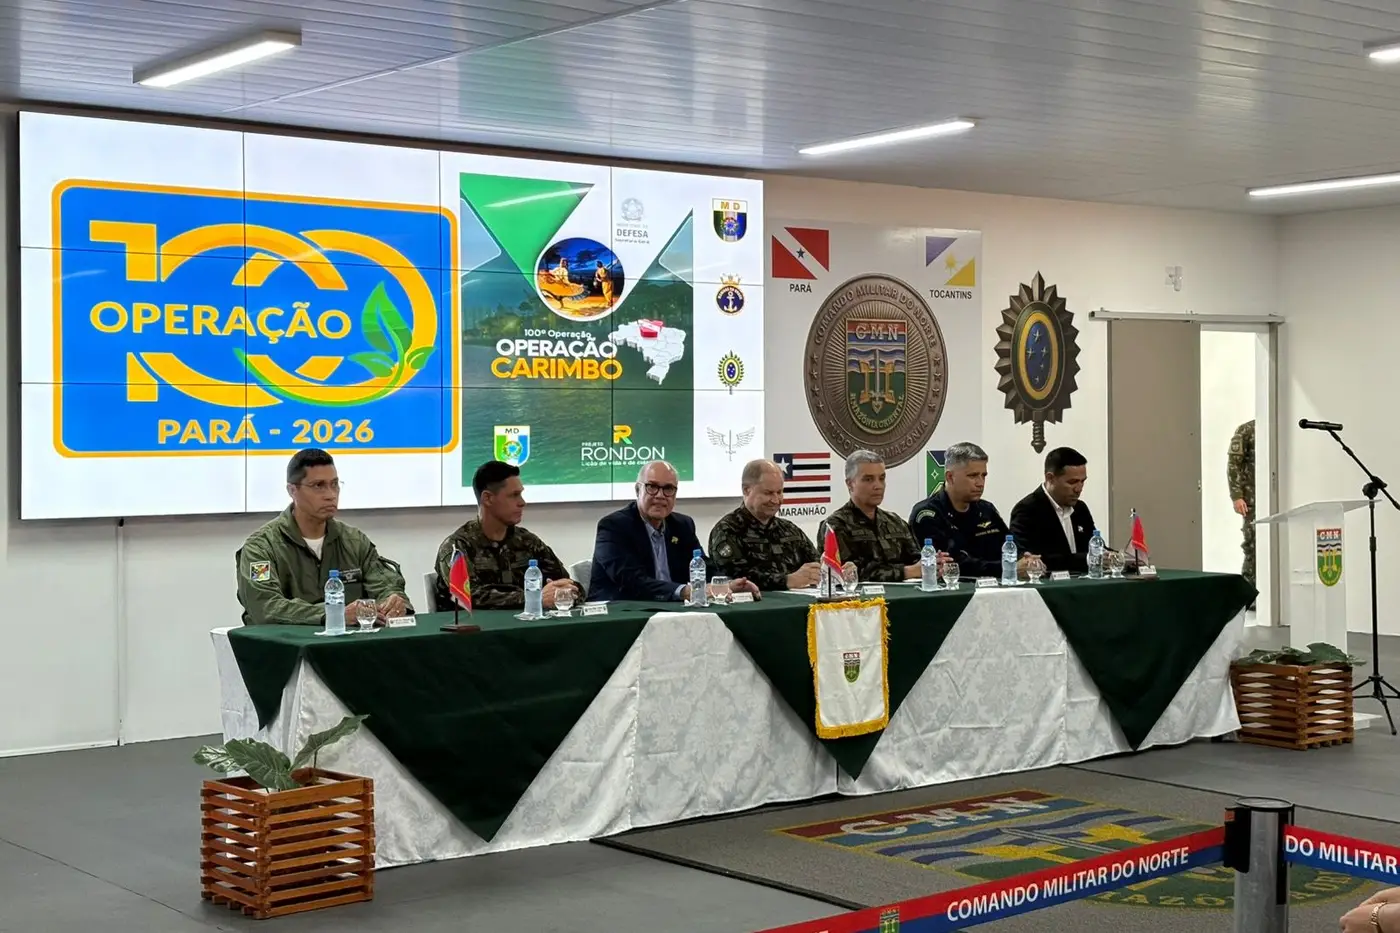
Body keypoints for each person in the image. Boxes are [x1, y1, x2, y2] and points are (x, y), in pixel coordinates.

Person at [236, 448, 412, 626]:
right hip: (286, 643)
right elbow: (265, 606)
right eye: (318, 486)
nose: (331, 495)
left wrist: (393, 601)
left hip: (350, 642)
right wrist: (332, 614)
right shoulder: (261, 547)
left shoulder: (355, 541)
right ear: (292, 490)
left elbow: (385, 586)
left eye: (334, 484)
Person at [590, 460, 759, 602]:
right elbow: (631, 580)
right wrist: (685, 591)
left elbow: (702, 565)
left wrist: (726, 585)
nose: (660, 495)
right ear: (637, 490)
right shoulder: (613, 527)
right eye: (652, 487)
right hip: (620, 612)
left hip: (672, 611)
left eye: (668, 488)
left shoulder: (682, 525)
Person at [435, 460, 581, 611]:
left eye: (521, 494)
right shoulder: (457, 547)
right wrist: (534, 598)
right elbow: (471, 596)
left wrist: (566, 592)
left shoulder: (527, 541)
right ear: (488, 498)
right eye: (514, 495)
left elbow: (568, 583)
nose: (522, 502)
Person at [709, 459, 839, 590]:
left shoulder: (790, 530)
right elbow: (737, 579)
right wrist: (787, 581)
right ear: (746, 490)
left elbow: (817, 564)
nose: (776, 500)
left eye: (779, 492)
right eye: (768, 493)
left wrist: (836, 571)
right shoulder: (727, 530)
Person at [909, 441, 1031, 579]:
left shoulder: (987, 509)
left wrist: (1026, 560)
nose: (980, 483)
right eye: (973, 476)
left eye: (983, 475)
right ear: (950, 477)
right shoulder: (927, 514)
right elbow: (951, 564)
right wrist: (1008, 568)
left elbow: (1010, 545)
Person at [820, 449, 921, 582]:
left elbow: (917, 560)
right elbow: (847, 572)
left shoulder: (895, 522)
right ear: (850, 484)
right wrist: (907, 572)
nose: (878, 486)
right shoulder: (835, 525)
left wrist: (932, 565)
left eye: (881, 478)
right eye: (868, 479)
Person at [1009, 447, 1097, 573]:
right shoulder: (1027, 510)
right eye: (1072, 482)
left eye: (1082, 481)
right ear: (1050, 478)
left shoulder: (1080, 508)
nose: (1079, 489)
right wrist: (1088, 559)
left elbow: (1095, 546)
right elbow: (1029, 559)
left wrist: (1114, 556)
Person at [1228, 419, 1255, 587]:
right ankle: (1248, 592)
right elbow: (1233, 464)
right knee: (1252, 547)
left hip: (1274, 500)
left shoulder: (1276, 427)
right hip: (1251, 502)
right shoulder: (1247, 430)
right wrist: (1237, 496)